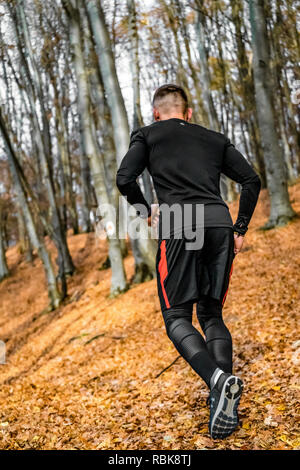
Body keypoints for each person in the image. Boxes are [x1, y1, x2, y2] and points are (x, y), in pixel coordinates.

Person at [116, 84, 261, 439]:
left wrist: (144, 211)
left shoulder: (147, 136)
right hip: (218, 223)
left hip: (178, 223)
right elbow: (251, 180)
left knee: (176, 316)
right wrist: (239, 228)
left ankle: (217, 380)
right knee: (212, 315)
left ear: (156, 113)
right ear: (189, 112)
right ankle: (222, 404)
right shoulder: (213, 138)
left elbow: (124, 178)